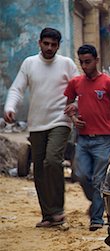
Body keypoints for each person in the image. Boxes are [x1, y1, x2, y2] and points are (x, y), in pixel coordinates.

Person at [3, 27, 79, 228]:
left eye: (54, 45)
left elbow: (80, 90)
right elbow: (17, 89)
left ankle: (58, 209)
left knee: (52, 160)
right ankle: (48, 215)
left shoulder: (67, 64)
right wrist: (10, 107)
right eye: (46, 44)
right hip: (36, 124)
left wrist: (76, 106)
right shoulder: (29, 63)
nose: (49, 48)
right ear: (39, 43)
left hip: (61, 121)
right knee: (38, 170)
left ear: (58, 46)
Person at [64, 44, 110, 231]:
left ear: (97, 61)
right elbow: (68, 105)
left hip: (104, 140)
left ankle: (96, 219)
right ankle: (98, 201)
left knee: (98, 180)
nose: (84, 66)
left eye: (88, 62)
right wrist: (74, 118)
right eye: (81, 62)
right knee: (81, 175)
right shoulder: (75, 83)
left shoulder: (109, 83)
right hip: (82, 139)